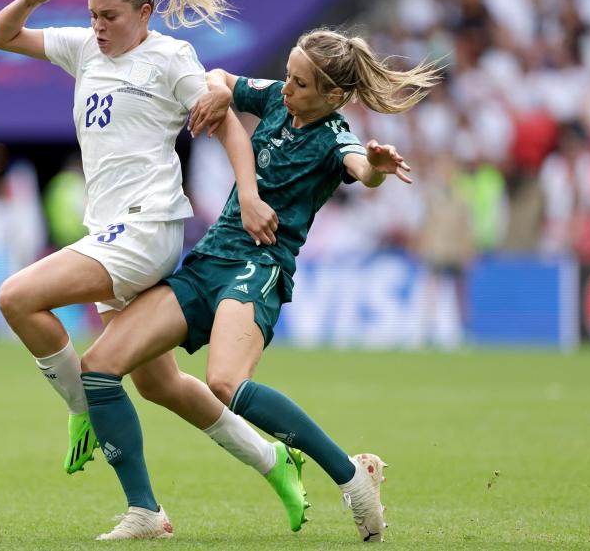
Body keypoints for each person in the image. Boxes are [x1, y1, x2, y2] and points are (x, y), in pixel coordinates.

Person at [0, 0, 312, 539]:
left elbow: (228, 125)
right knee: (160, 385)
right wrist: (30, 2)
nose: (97, 27)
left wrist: (248, 192)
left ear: (145, 12)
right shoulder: (85, 48)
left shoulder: (170, 58)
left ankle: (85, 417)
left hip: (147, 229)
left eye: (109, 16)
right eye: (91, 15)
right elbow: (1, 35)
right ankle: (273, 463)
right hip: (108, 230)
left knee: (18, 297)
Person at [79, 28, 440, 542]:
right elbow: (221, 76)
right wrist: (223, 90)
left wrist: (376, 169)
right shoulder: (276, 97)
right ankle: (145, 513)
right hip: (207, 261)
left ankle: (351, 476)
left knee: (225, 382)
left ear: (333, 96)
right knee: (98, 367)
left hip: (260, 266)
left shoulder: (336, 137)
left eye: (300, 83)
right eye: (288, 75)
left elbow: (360, 167)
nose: (286, 88)